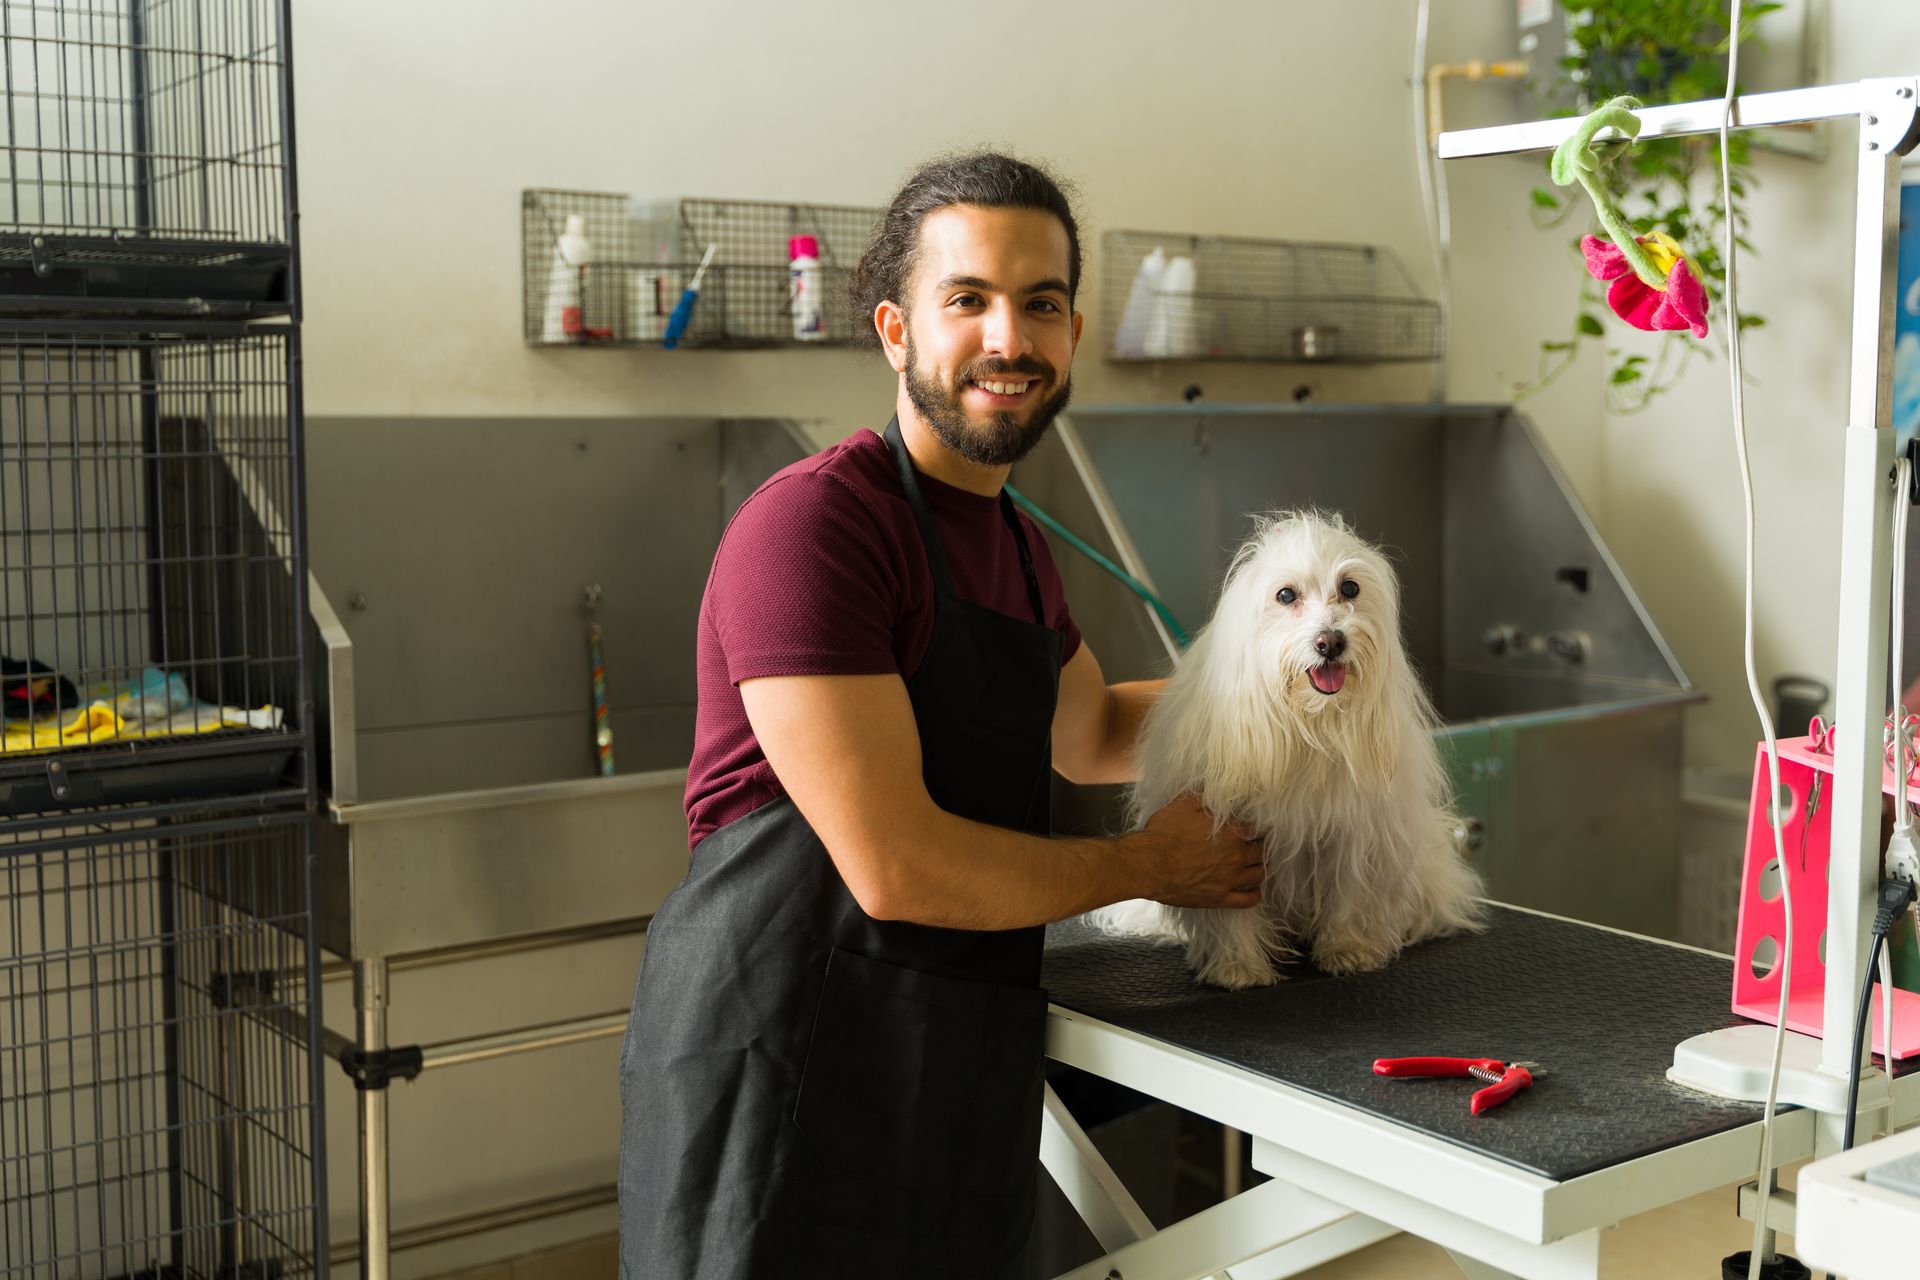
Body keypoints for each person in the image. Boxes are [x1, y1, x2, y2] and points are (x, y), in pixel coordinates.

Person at [616, 151, 1262, 1279]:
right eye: (967, 299)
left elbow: (1090, 730)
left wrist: (1297, 674)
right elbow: (895, 865)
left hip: (947, 1052)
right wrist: (1155, 862)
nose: (1009, 338)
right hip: (781, 1062)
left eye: (1042, 303)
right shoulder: (818, 528)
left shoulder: (1013, 540)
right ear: (893, 329)